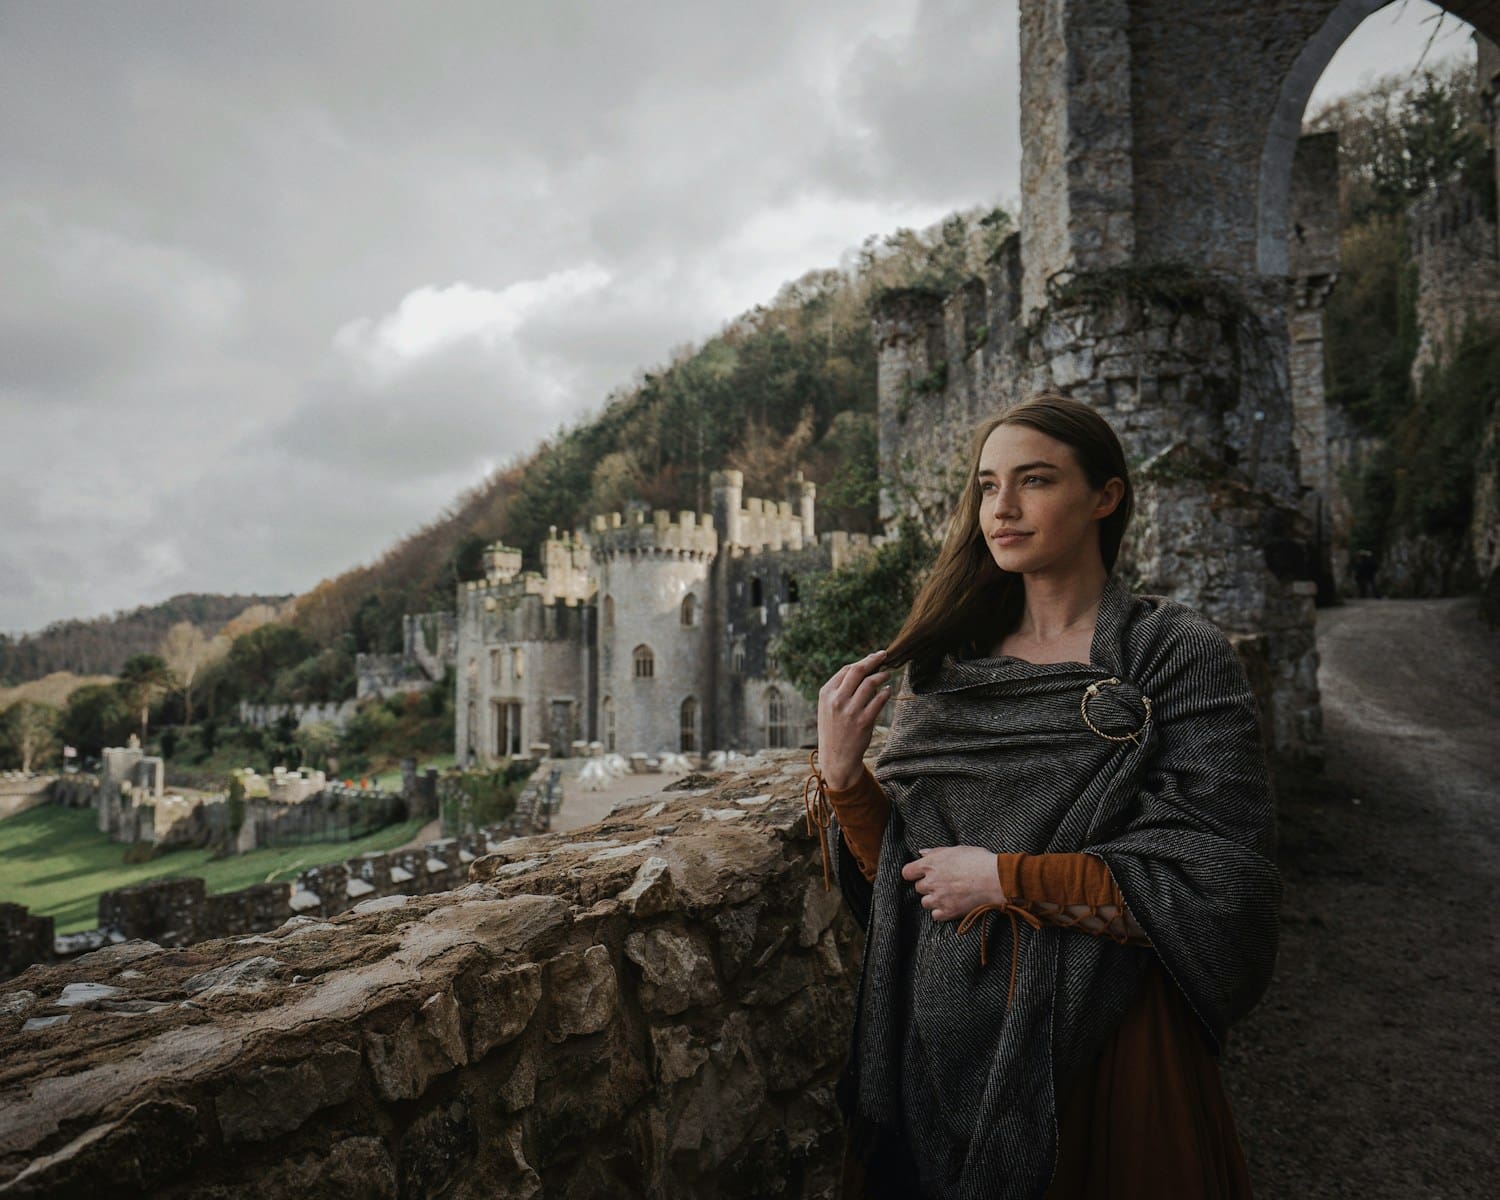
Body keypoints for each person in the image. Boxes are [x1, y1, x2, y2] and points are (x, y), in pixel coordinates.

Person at [803, 394, 1281, 1199]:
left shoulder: (1173, 653)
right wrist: (846, 778)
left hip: (1111, 1044)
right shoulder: (950, 666)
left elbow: (1215, 883)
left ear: (1105, 496)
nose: (1004, 508)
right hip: (940, 1032)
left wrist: (1010, 881)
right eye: (988, 487)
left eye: (1035, 481)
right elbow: (908, 872)